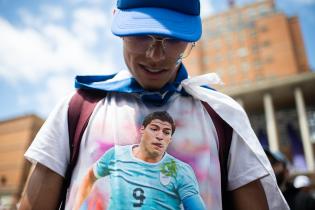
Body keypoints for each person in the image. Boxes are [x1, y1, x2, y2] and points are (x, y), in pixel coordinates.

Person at [19, 0, 289, 209]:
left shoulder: (222, 116)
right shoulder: (78, 107)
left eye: (172, 38)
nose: (155, 55)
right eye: (140, 34)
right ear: (117, 22)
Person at [73, 111, 205, 210]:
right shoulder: (115, 154)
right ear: (141, 130)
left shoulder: (179, 169)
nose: (159, 136)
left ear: (170, 138)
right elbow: (89, 177)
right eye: (154, 129)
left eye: (166, 132)